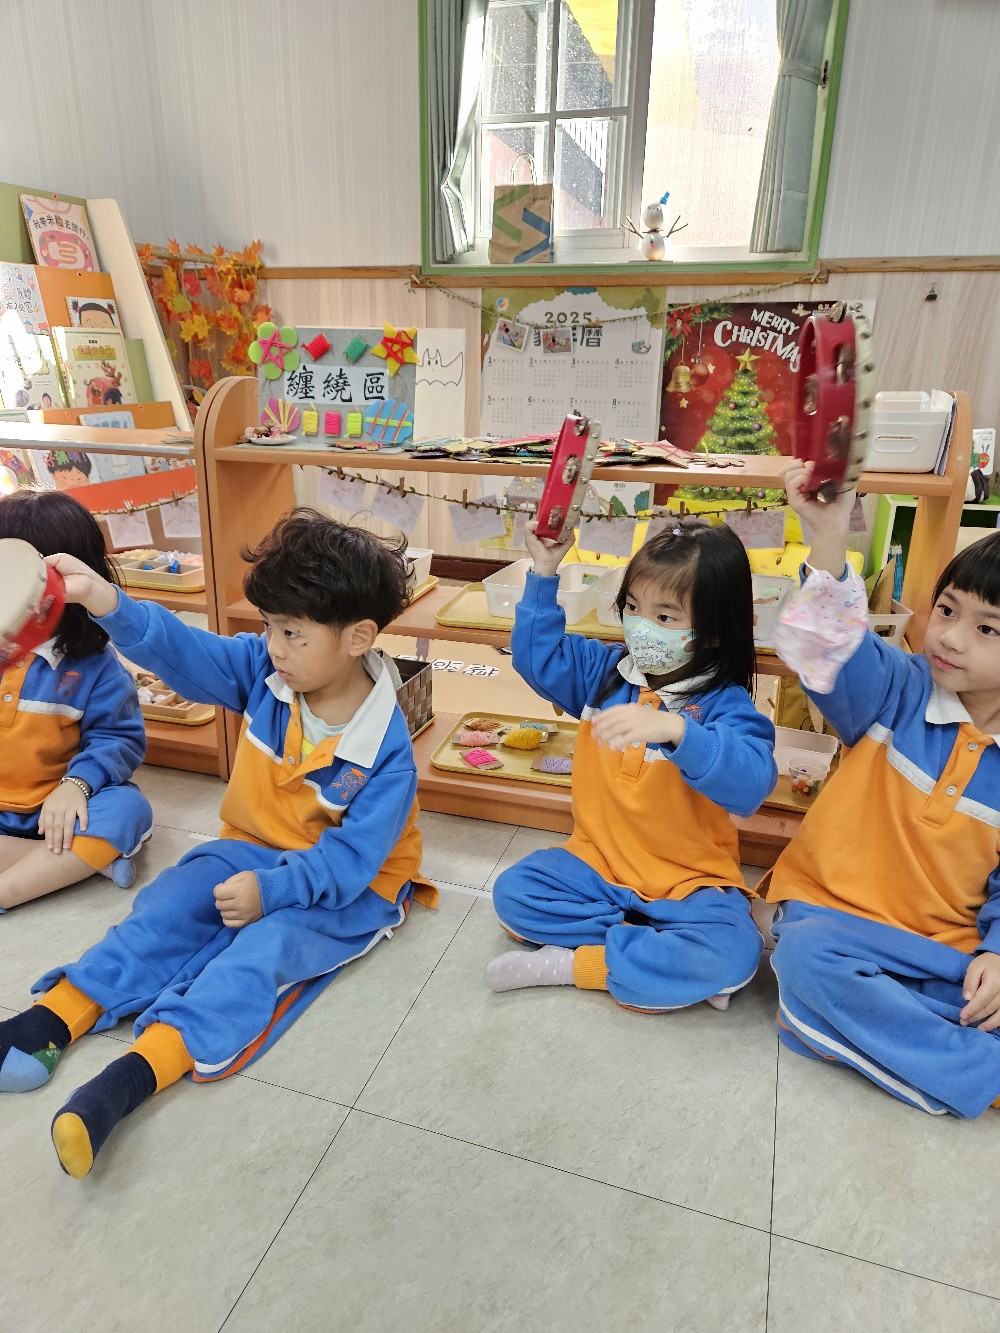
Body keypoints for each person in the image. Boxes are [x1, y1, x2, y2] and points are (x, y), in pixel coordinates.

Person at [0, 508, 436, 1177]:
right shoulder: (266, 670)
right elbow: (181, 649)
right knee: (167, 906)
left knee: (262, 952)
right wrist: (105, 599)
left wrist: (274, 890)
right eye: (269, 626)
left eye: (291, 632)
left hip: (352, 885)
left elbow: (352, 860)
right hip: (250, 846)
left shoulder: (387, 751)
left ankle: (135, 1074)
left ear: (359, 637)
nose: (273, 646)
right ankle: (58, 1014)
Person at [766, 460, 1000, 1118]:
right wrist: (827, 538)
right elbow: (826, 650)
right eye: (947, 609)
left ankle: (827, 1027)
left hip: (941, 950)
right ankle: (972, 1074)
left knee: (981, 992)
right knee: (805, 957)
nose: (948, 635)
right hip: (831, 921)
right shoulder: (897, 687)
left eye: (987, 628)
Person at [486, 517, 776, 1012]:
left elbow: (751, 786)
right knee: (515, 893)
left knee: (734, 953)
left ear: (712, 631)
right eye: (633, 607)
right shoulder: (604, 672)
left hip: (689, 881)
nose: (641, 626)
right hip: (597, 863)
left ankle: (579, 964)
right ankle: (655, 954)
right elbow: (535, 658)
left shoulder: (726, 706)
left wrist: (678, 731)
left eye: (665, 616)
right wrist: (544, 570)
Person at [0, 489, 152, 911]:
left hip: (58, 808)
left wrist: (76, 786)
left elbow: (117, 740)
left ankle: (16, 884)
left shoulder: (97, 667)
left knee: (127, 811)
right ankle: (74, 865)